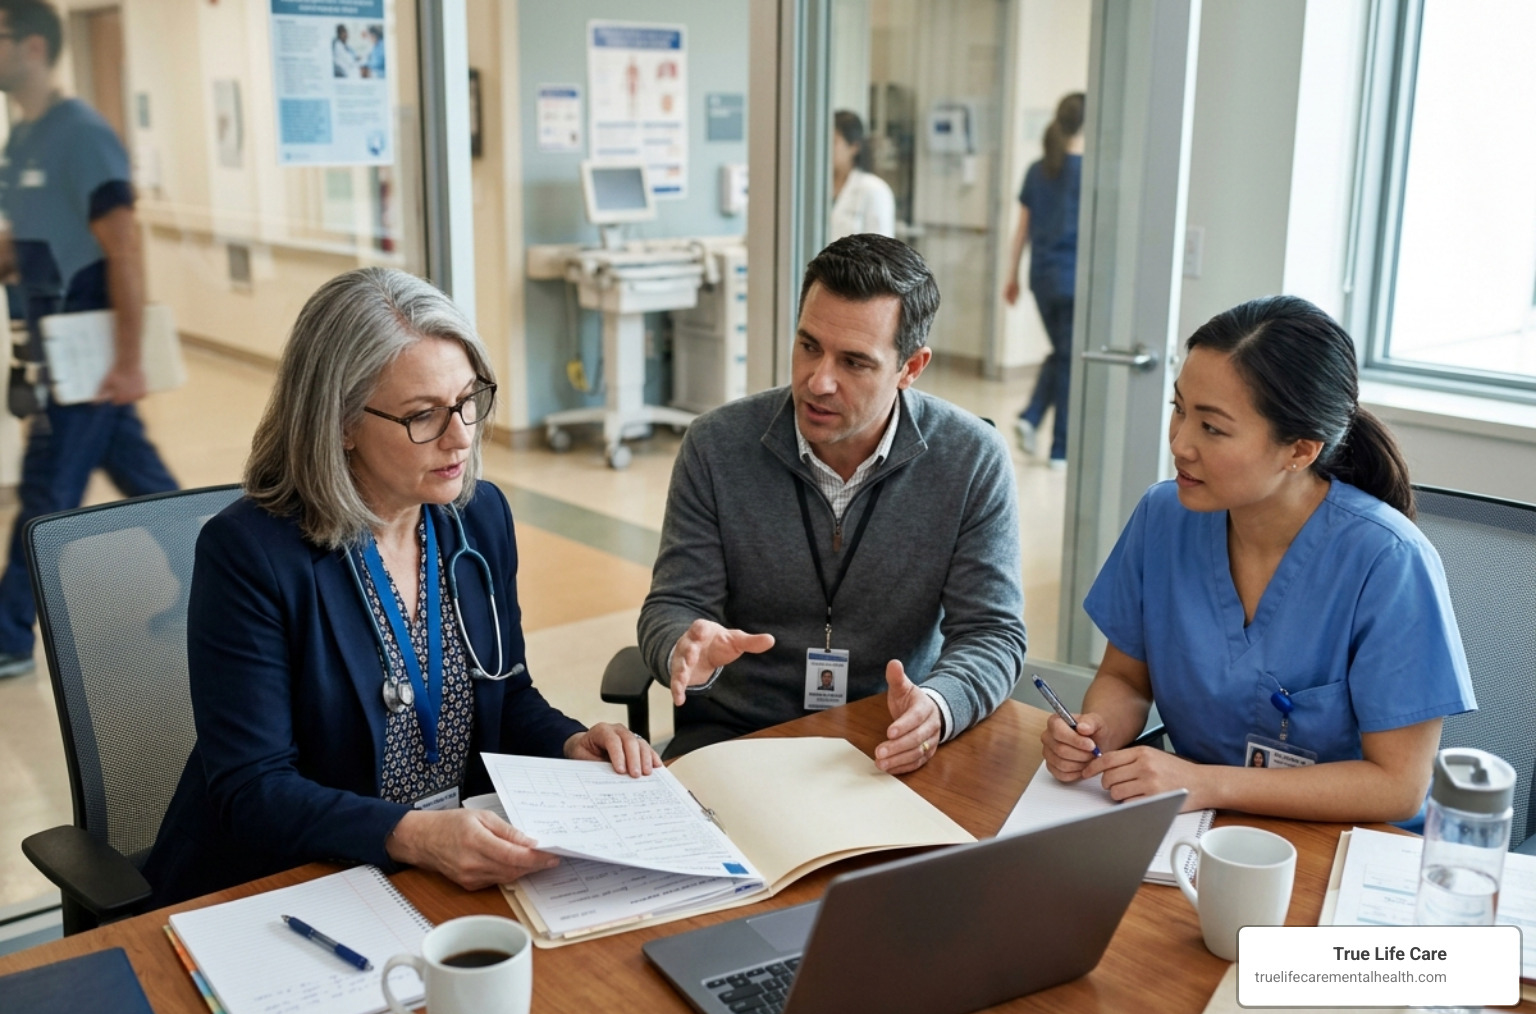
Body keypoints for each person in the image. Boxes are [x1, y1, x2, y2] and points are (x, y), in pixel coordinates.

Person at [144, 268, 660, 906]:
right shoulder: (251, 556)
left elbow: (507, 693)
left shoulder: (478, 517)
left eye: (469, 401)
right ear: (339, 423)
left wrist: (567, 741)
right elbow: (254, 791)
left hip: (444, 873)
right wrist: (415, 836)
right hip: (296, 881)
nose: (461, 437)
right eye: (423, 416)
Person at [1041, 296, 1475, 823]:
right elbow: (1126, 679)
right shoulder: (1164, 516)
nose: (1180, 443)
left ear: (1299, 451)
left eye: (1213, 428)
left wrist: (1204, 782)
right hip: (1196, 824)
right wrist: (1096, 730)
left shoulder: (1388, 561)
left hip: (1338, 842)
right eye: (1178, 410)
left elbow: (1398, 786)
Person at [639, 233, 1027, 773]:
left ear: (911, 368)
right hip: (741, 732)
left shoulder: (971, 460)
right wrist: (681, 647)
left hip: (888, 731)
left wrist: (938, 706)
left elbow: (992, 633)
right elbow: (671, 606)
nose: (818, 381)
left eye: (854, 363)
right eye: (809, 346)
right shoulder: (716, 445)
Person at [0, 0, 178, 678]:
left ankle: (9, 633)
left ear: (35, 48)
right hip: (49, 350)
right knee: (144, 479)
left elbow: (123, 249)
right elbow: (21, 243)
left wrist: (128, 361)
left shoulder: (81, 135)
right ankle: (205, 586)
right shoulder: (22, 140)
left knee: (47, 494)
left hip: (92, 355)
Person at [1002, 92, 1085, 468]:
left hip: (1042, 279)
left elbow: (1022, 230)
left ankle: (1031, 417)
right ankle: (1060, 446)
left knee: (1063, 352)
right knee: (1069, 359)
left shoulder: (1038, 169)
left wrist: (1012, 275)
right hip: (1074, 279)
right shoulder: (1089, 170)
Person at [828, 110, 895, 241]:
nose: (826, 148)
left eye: (833, 142)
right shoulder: (816, 186)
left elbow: (880, 252)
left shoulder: (874, 189)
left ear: (854, 147)